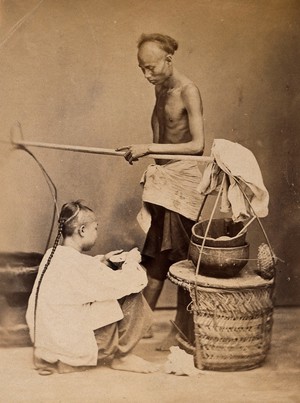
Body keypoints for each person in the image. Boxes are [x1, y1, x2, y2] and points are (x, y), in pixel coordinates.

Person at [117, 33, 205, 349]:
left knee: (180, 261)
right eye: (142, 68)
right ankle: (136, 328)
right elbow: (162, 142)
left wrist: (148, 147)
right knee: (155, 258)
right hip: (163, 182)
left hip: (182, 184)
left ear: (169, 58)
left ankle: (184, 333)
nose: (147, 75)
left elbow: (198, 145)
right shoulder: (160, 87)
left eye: (151, 67)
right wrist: (142, 152)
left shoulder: (189, 91)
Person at [26, 200, 157, 374]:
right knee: (134, 292)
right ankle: (122, 357)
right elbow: (128, 282)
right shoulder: (82, 266)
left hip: (47, 345)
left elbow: (82, 275)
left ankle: (62, 359)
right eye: (95, 228)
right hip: (70, 347)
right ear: (82, 230)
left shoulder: (52, 255)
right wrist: (132, 261)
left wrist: (103, 261)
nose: (96, 233)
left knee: (106, 293)